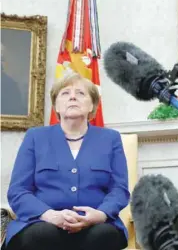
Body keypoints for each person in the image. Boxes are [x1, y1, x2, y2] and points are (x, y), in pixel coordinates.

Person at [5, 73, 130, 250]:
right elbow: (18, 191)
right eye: (65, 93)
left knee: (104, 235)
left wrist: (100, 214)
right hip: (41, 223)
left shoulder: (110, 139)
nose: (72, 96)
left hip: (95, 225)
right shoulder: (35, 137)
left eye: (80, 93)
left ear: (92, 105)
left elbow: (119, 189)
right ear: (56, 105)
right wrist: (48, 215)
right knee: (42, 235)